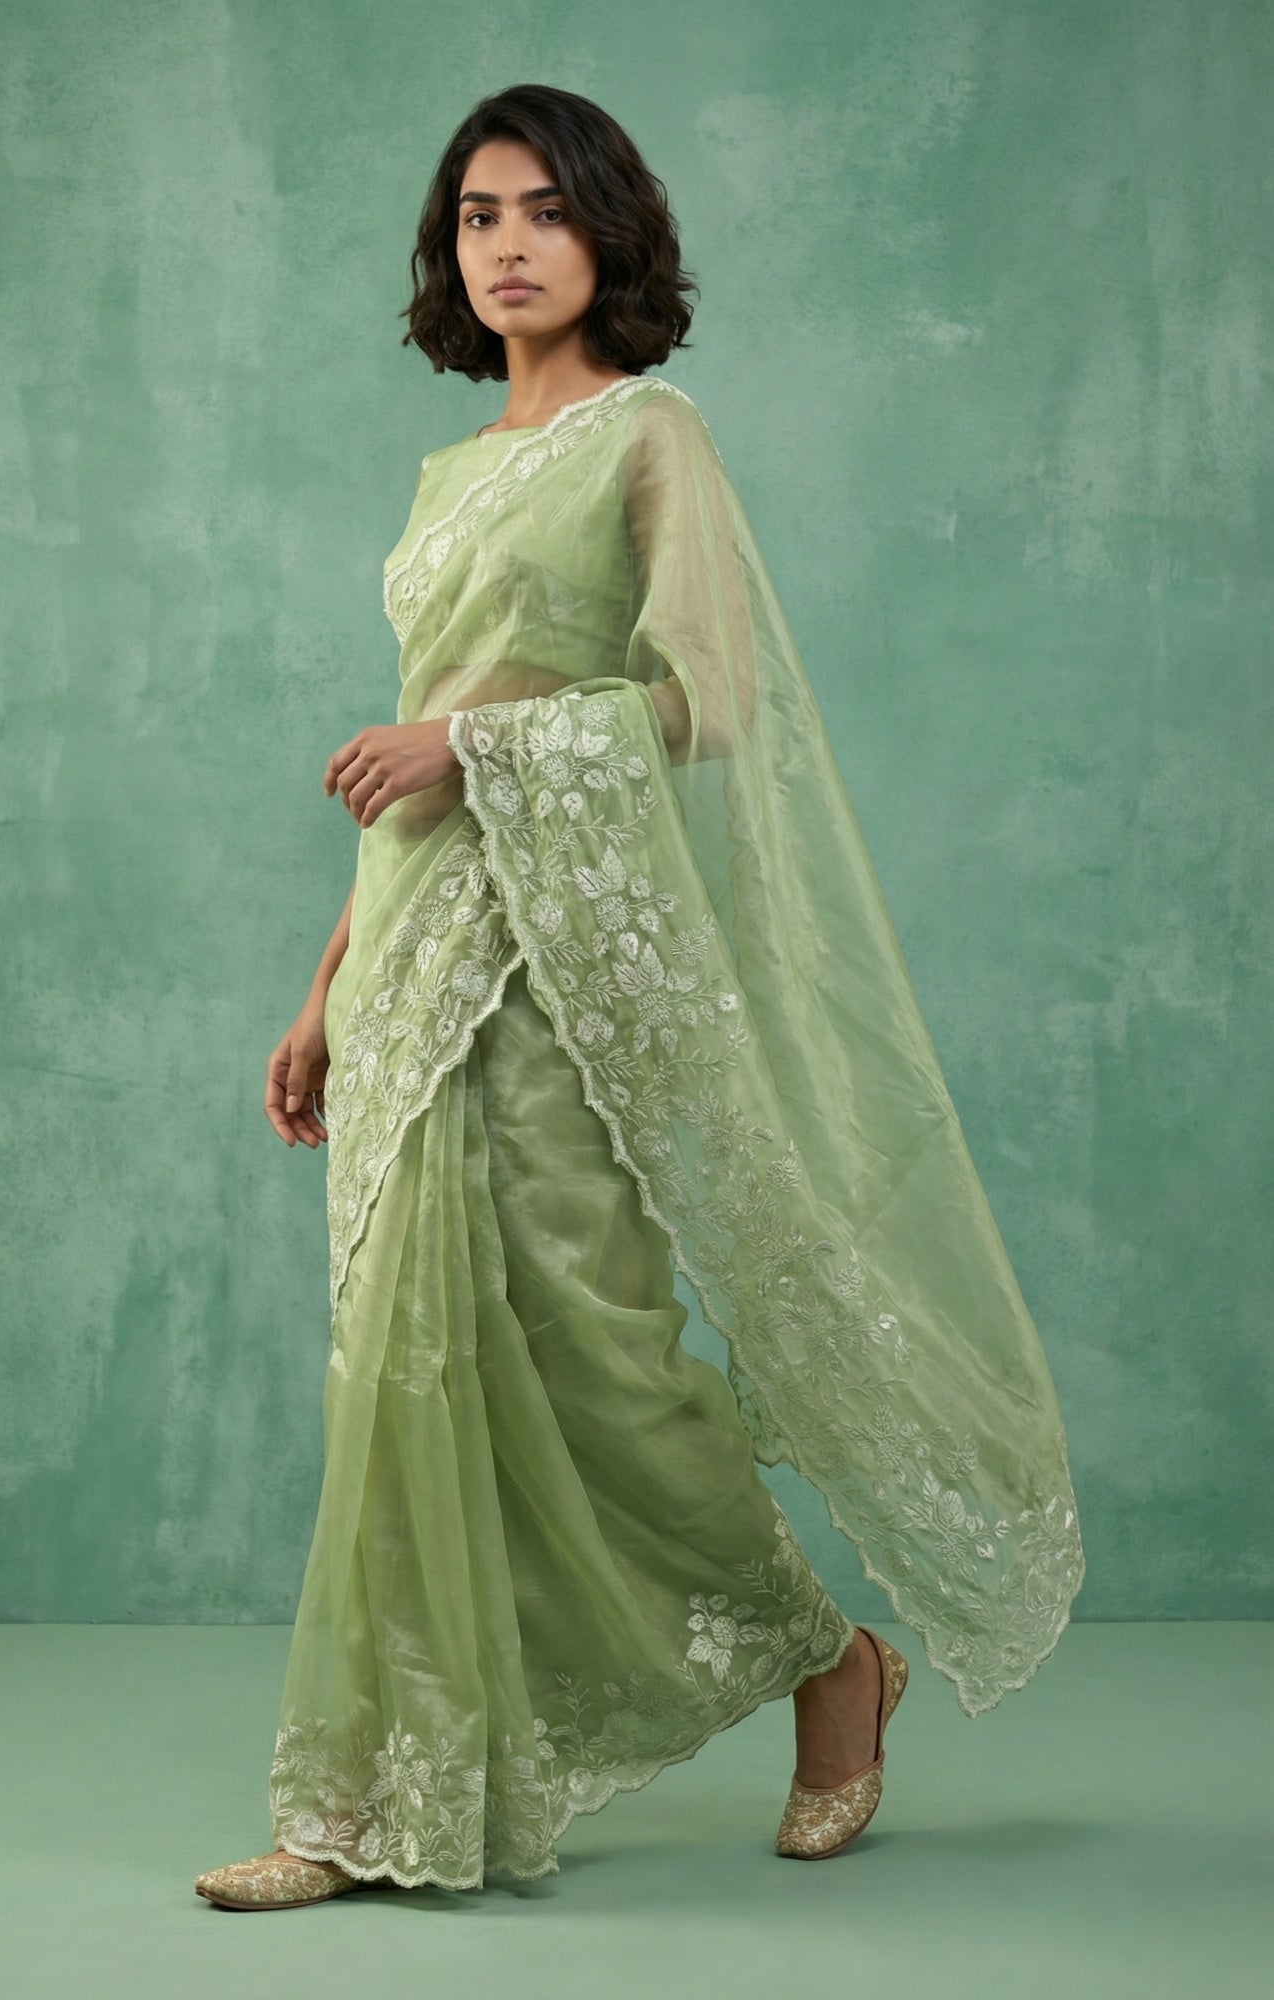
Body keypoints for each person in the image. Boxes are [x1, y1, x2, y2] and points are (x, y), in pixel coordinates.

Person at [194, 83, 1085, 1911]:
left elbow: (707, 704)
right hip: (409, 953)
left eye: (544, 210)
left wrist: (472, 747)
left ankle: (832, 1664)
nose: (507, 245)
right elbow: (412, 759)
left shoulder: (651, 437)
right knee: (397, 1365)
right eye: (476, 217)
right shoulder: (449, 476)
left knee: (597, 1355)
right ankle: (372, 1804)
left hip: (553, 968)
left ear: (610, 234)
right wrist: (322, 990)